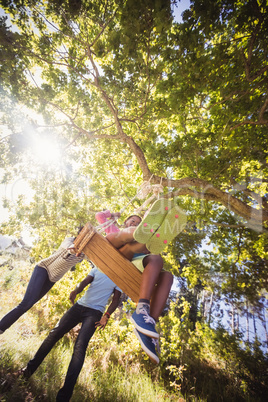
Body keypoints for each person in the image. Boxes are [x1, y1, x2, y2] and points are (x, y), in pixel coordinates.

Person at [20, 266, 121, 402]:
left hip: (94, 313)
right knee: (54, 334)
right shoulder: (98, 267)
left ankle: (63, 397)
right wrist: (76, 290)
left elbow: (116, 300)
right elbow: (85, 282)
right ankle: (27, 371)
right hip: (79, 306)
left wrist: (107, 315)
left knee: (80, 347)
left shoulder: (120, 277)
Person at [95, 209, 173, 364]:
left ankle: (147, 323)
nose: (135, 223)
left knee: (164, 271)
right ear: (125, 221)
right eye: (132, 221)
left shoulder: (142, 244)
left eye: (138, 223)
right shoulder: (115, 227)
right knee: (132, 234)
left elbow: (149, 254)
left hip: (134, 260)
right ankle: (140, 232)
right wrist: (114, 214)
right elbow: (99, 216)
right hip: (115, 248)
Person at [0, 231, 90, 334]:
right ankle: (1, 327)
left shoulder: (83, 253)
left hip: (52, 279)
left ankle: (1, 329)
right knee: (26, 303)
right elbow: (69, 248)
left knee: (28, 305)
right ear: (79, 235)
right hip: (43, 269)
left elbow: (92, 258)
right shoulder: (69, 240)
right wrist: (74, 251)